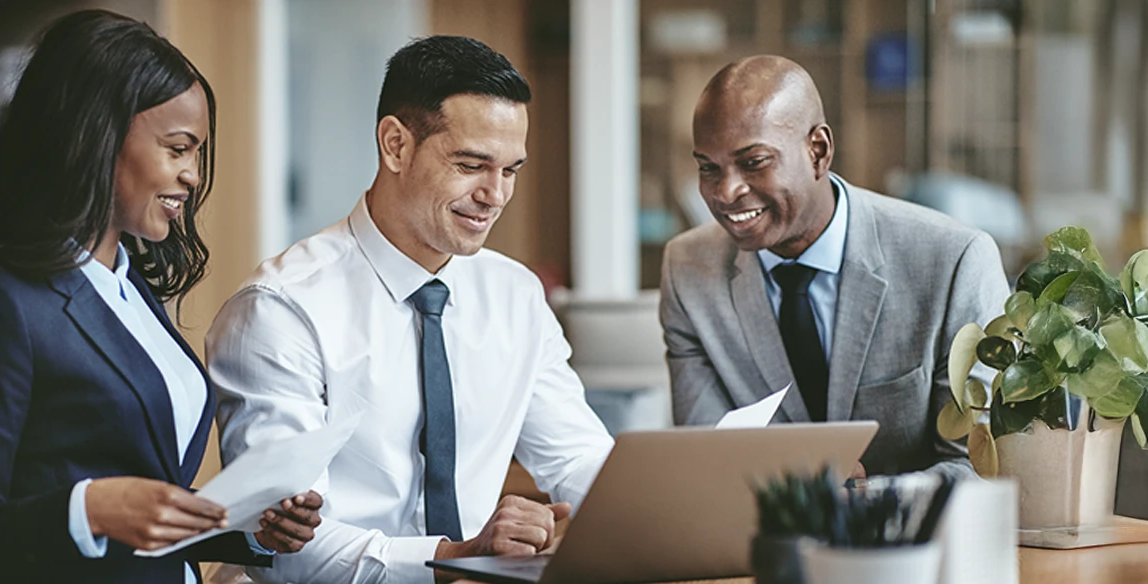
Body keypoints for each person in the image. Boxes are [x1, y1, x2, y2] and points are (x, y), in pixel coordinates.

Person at [0, 11, 321, 583]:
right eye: (177, 149)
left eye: (197, 153)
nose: (193, 175)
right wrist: (91, 509)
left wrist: (247, 525)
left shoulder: (129, 289)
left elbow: (142, 502)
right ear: (96, 138)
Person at [205, 36, 615, 584]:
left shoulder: (515, 295)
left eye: (510, 170)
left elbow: (579, 459)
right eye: (472, 164)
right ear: (395, 145)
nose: (495, 195)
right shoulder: (281, 310)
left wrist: (654, 524)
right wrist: (458, 556)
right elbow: (287, 549)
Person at [661, 55, 1009, 481]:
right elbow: (706, 459)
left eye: (754, 162)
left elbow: (978, 468)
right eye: (708, 168)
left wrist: (865, 502)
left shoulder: (954, 261)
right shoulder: (688, 270)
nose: (726, 191)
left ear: (818, 151)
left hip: (913, 543)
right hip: (759, 542)